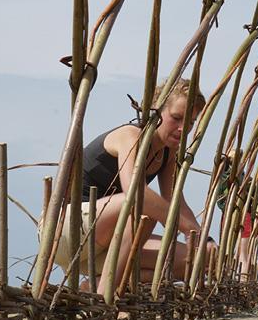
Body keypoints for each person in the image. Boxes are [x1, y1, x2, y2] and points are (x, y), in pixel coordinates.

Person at [49, 78, 209, 294]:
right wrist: (185, 229)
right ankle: (104, 296)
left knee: (188, 261)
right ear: (156, 111)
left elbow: (174, 201)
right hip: (67, 231)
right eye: (176, 118)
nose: (183, 129)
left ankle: (94, 286)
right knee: (143, 204)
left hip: (106, 248)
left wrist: (202, 239)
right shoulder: (130, 136)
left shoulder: (168, 153)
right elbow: (135, 193)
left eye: (190, 123)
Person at [215, 148, 255, 280]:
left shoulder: (232, 177)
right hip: (240, 215)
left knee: (230, 251)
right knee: (239, 252)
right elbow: (255, 198)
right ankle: (235, 279)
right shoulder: (242, 177)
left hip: (236, 215)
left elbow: (220, 199)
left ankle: (233, 279)